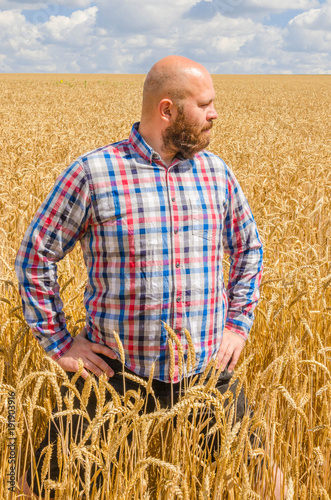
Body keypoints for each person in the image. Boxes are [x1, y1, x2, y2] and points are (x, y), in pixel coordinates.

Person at [15, 56, 282, 498]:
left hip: (204, 372)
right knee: (35, 484)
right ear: (167, 110)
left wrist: (237, 325)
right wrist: (59, 342)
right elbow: (34, 255)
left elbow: (249, 248)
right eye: (205, 104)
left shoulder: (216, 174)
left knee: (269, 482)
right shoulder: (94, 173)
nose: (215, 113)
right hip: (114, 371)